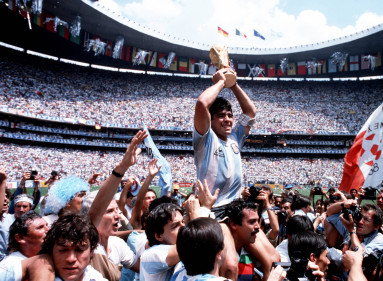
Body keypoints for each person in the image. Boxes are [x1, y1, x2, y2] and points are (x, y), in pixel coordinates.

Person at [193, 68, 256, 212]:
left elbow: (250, 112)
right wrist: (221, 82)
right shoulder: (205, 139)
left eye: (230, 115)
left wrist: (233, 84)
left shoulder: (235, 137)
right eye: (221, 115)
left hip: (235, 207)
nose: (227, 119)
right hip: (213, 208)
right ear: (211, 120)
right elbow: (202, 103)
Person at [140, 203, 184, 281]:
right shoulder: (151, 254)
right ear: (159, 236)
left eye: (183, 221)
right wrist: (202, 210)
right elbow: (193, 242)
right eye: (175, 226)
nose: (183, 227)